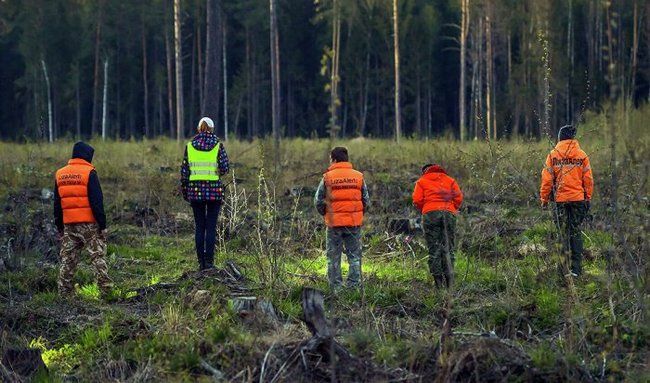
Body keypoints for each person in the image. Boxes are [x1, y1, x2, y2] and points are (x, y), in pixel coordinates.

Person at [54, 141, 111, 298]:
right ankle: (105, 290)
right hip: (90, 225)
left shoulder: (60, 174)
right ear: (86, 155)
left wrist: (59, 226)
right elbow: (97, 201)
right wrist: (103, 225)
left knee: (68, 259)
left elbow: (57, 204)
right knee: (97, 257)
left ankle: (64, 293)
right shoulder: (89, 173)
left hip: (69, 224)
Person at [540, 125, 593, 277]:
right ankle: (576, 270)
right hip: (578, 199)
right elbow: (588, 179)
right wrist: (587, 197)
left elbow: (547, 180)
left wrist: (544, 199)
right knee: (575, 231)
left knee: (562, 233)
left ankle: (563, 270)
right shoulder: (582, 155)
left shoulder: (552, 155)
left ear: (560, 137)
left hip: (560, 200)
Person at [314, 147, 369, 290]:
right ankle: (354, 287)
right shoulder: (358, 176)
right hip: (353, 224)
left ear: (334, 159)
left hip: (334, 224)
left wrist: (325, 214)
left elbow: (318, 200)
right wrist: (358, 214)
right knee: (355, 257)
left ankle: (336, 289)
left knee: (333, 258)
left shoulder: (327, 177)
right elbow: (366, 201)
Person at [180, 117, 229, 271]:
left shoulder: (189, 146)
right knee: (211, 227)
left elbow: (184, 172)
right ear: (212, 129)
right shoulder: (218, 145)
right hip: (214, 192)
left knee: (199, 227)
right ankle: (209, 262)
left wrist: (185, 191)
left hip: (195, 192)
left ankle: (200, 262)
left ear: (198, 128)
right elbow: (225, 168)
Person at [412, 164, 463, 288]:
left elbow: (417, 200)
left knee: (434, 249)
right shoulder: (450, 180)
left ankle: (438, 284)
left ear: (425, 171)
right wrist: (451, 208)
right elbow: (459, 198)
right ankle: (450, 284)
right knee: (448, 248)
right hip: (448, 212)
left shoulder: (422, 181)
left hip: (430, 214)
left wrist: (426, 208)